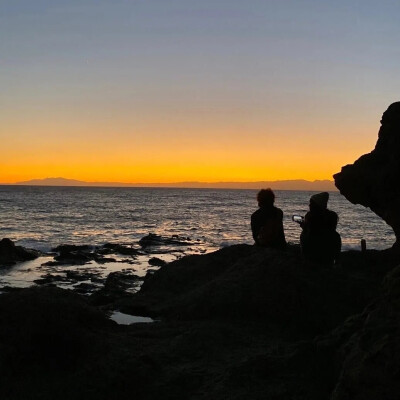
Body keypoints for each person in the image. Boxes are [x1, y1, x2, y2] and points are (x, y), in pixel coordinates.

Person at [300, 192, 341, 265]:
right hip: (328, 265)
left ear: (315, 206)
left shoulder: (311, 228)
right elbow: (336, 255)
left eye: (311, 203)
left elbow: (306, 248)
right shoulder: (334, 234)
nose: (309, 205)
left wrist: (305, 229)